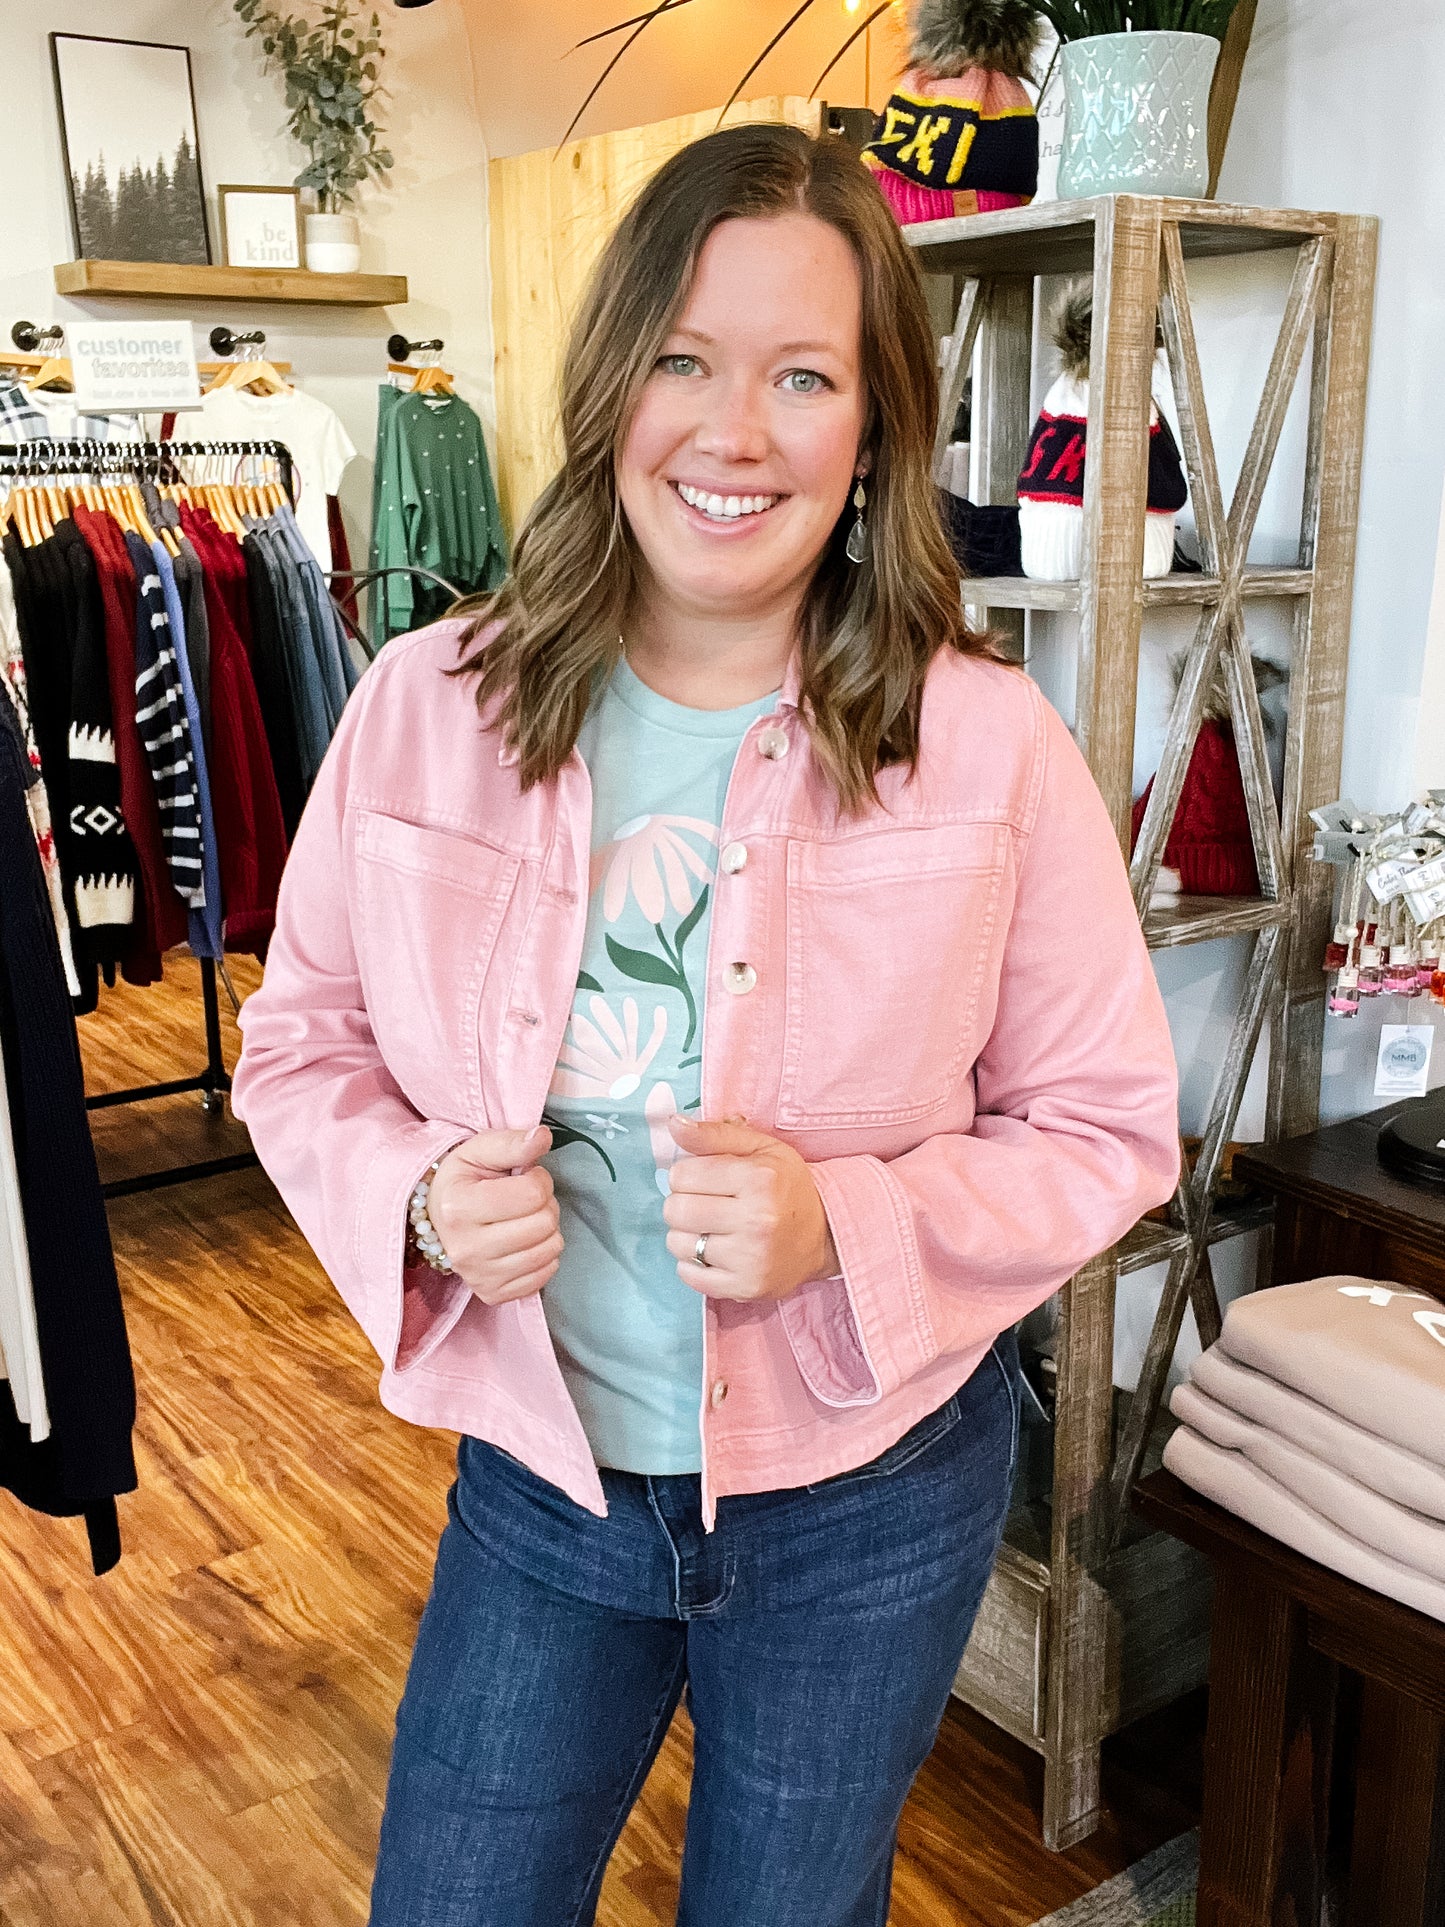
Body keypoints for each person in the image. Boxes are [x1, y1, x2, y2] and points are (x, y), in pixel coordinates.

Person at [233, 122, 1179, 1927]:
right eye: (683, 359)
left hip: (866, 1495)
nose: (733, 433)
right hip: (546, 1476)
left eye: (801, 375)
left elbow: (1106, 1123)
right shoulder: (428, 706)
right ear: (610, 389)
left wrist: (852, 1220)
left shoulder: (985, 749)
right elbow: (301, 1043)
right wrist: (423, 1193)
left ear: (875, 424)